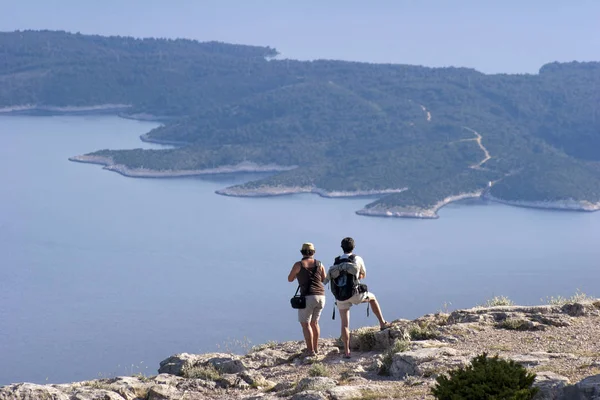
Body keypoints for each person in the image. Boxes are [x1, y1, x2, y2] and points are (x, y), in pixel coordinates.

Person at [325, 237, 391, 358]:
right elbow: (363, 275)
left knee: (344, 324)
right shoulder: (357, 259)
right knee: (372, 298)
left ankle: (347, 351)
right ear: (353, 247)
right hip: (355, 294)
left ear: (342, 248)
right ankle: (382, 323)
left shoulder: (336, 262)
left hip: (340, 297)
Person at [287, 242, 326, 356]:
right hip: (321, 296)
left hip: (308, 297)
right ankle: (316, 348)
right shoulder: (320, 264)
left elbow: (290, 279)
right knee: (315, 323)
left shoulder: (299, 265)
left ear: (302, 252)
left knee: (306, 324)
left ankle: (310, 351)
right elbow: (324, 279)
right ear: (313, 252)